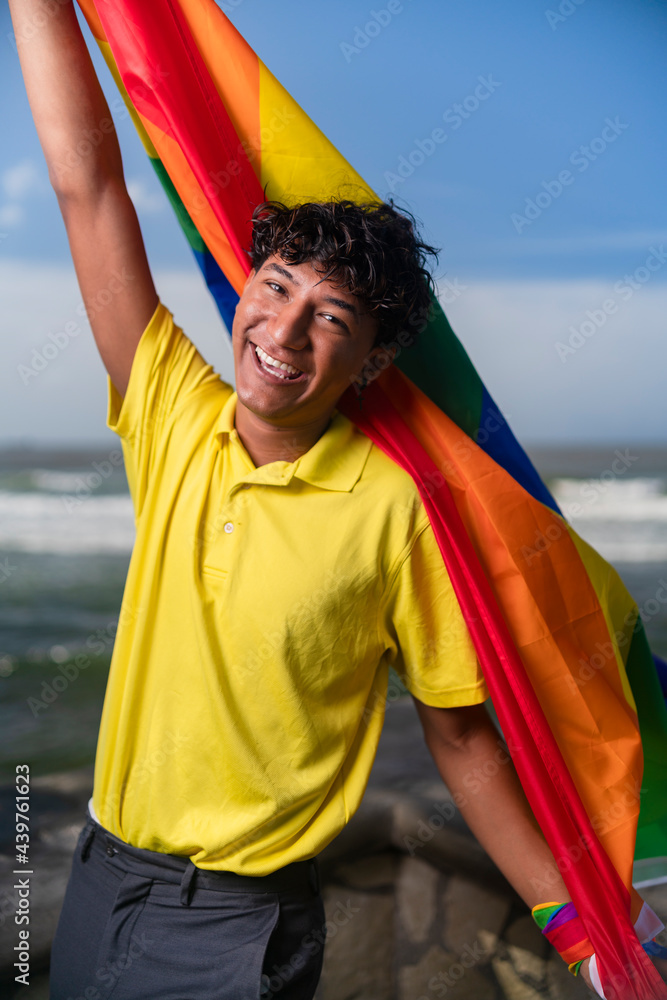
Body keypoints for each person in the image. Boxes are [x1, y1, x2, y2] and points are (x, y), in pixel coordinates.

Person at [12, 2, 663, 998]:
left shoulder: (399, 511)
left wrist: (582, 937)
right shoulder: (173, 410)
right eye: (273, 288)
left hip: (238, 924)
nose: (284, 328)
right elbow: (88, 187)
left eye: (331, 317)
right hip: (103, 879)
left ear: (371, 359)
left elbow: (460, 739)